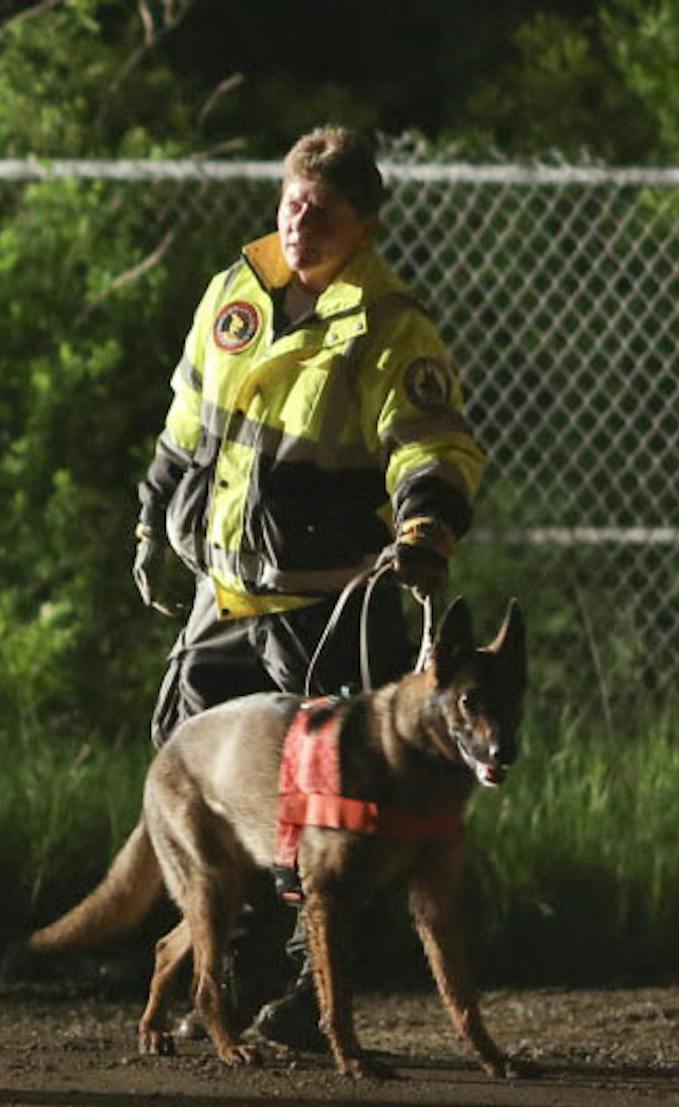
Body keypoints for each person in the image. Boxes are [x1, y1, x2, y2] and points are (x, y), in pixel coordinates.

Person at [132, 126, 485, 1050]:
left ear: (363, 225)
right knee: (192, 781)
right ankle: (220, 972)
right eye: (292, 201)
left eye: (323, 211)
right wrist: (153, 511)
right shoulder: (233, 295)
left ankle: (302, 995)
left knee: (328, 816)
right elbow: (187, 413)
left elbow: (433, 442)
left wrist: (426, 524)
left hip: (323, 606)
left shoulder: (391, 328)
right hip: (225, 594)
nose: (301, 221)